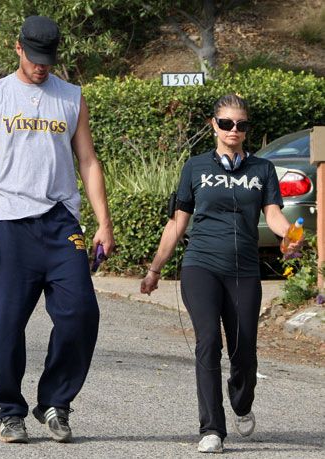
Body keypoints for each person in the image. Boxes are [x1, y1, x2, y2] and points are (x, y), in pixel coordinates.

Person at [0, 15, 114, 444]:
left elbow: (88, 161)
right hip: (10, 220)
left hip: (62, 221)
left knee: (81, 313)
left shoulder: (71, 97)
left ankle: (55, 404)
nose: (40, 67)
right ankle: (10, 411)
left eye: (48, 60)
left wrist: (103, 221)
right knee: (7, 325)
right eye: (34, 58)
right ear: (18, 48)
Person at [140, 94, 302, 454]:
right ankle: (212, 427)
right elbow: (177, 223)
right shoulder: (195, 167)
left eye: (241, 125)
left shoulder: (262, 170)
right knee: (209, 340)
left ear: (247, 130)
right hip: (201, 265)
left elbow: (273, 214)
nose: (233, 130)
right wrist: (154, 269)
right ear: (214, 125)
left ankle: (242, 403)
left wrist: (288, 235)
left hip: (244, 269)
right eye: (226, 123)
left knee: (244, 350)